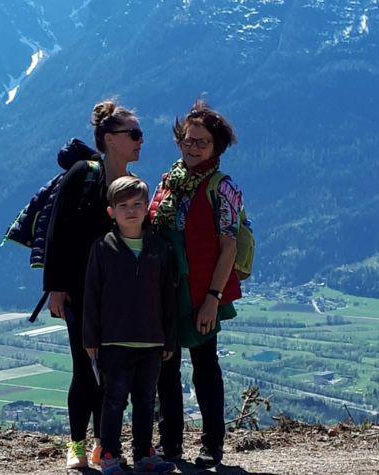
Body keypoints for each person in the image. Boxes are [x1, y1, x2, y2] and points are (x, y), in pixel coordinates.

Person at [43, 100, 144, 469]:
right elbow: (58, 231)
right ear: (109, 139)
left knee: (111, 371)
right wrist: (55, 285)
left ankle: (103, 445)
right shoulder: (82, 174)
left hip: (115, 297)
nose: (139, 141)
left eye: (140, 134)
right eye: (133, 134)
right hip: (79, 292)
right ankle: (75, 445)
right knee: (83, 368)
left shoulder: (129, 187)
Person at [150, 100, 244, 469]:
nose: (192, 147)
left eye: (201, 142)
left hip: (203, 293)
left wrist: (212, 300)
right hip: (167, 294)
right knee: (165, 368)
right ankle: (170, 444)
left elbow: (229, 247)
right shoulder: (168, 182)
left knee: (205, 367)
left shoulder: (223, 189)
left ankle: (212, 445)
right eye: (188, 140)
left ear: (216, 148)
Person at [83, 176, 177, 475]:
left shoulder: (159, 248)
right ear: (111, 212)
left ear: (148, 207)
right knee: (114, 401)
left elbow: (168, 296)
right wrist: (90, 337)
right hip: (114, 341)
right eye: (123, 205)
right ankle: (109, 454)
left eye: (138, 203)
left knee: (146, 401)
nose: (131, 210)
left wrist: (169, 339)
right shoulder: (102, 248)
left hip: (151, 341)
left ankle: (143, 455)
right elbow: (91, 295)